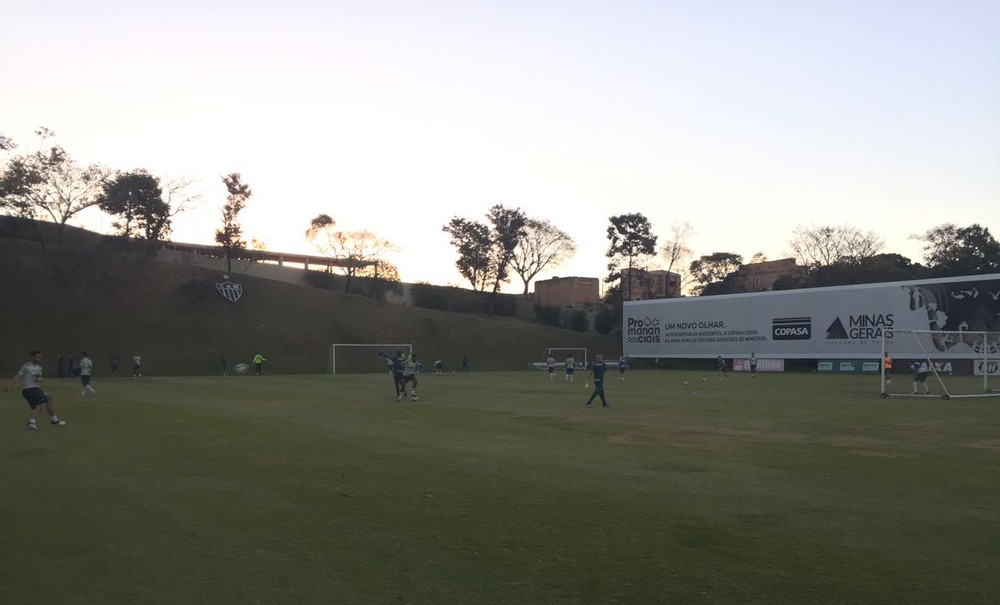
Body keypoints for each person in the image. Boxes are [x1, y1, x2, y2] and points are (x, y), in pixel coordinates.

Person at [4, 350, 66, 429]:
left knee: (38, 406)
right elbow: (18, 375)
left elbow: (38, 379)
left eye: (40, 357)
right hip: (29, 390)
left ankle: (32, 422)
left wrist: (39, 380)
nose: (39, 359)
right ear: (32, 357)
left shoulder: (39, 368)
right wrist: (9, 385)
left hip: (35, 389)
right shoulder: (26, 366)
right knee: (49, 399)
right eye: (37, 357)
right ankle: (54, 420)